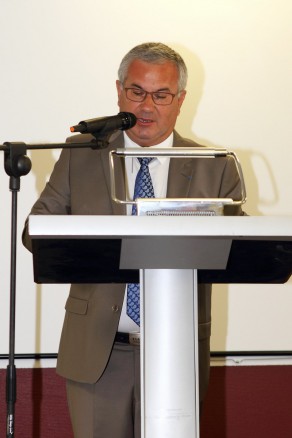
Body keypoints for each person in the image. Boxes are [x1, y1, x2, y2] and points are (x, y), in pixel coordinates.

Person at [22, 42, 244, 438]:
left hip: (178, 351)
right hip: (97, 352)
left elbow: (241, 248)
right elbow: (35, 232)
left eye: (161, 95)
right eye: (136, 92)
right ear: (119, 90)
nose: (146, 107)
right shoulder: (81, 154)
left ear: (180, 100)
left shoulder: (215, 164)